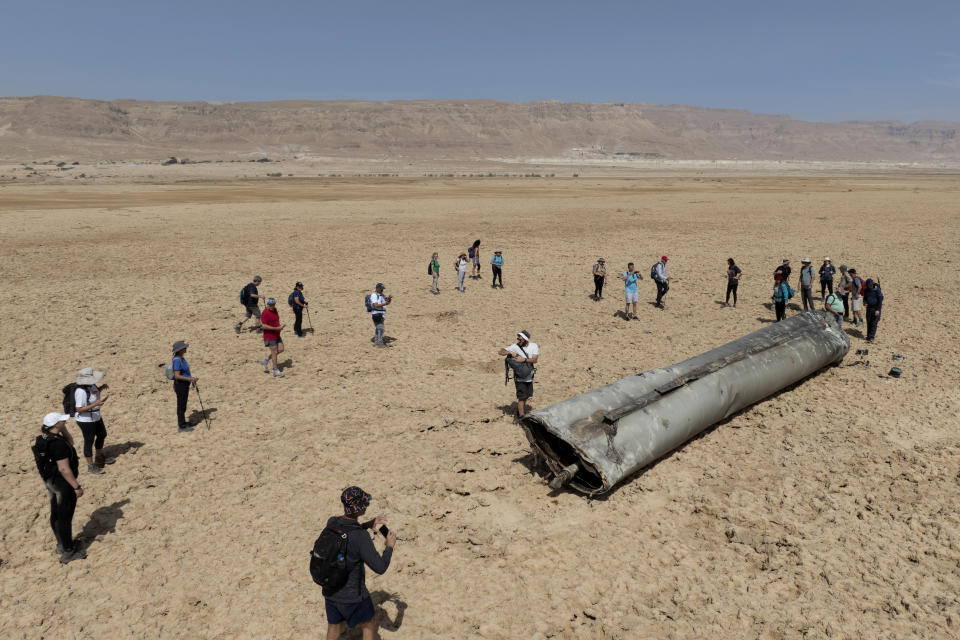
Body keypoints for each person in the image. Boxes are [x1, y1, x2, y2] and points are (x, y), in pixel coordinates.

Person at [322, 487, 396, 640]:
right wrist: (389, 546)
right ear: (360, 508)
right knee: (368, 625)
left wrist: (368, 524)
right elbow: (380, 567)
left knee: (333, 627)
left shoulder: (332, 522)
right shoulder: (361, 537)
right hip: (354, 596)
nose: (367, 506)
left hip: (330, 591)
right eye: (365, 504)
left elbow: (346, 534)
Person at [35, 412, 87, 563]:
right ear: (55, 424)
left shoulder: (43, 438)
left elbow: (70, 441)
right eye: (62, 421)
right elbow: (64, 469)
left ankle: (61, 544)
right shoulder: (57, 445)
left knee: (56, 513)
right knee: (65, 517)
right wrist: (76, 487)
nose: (65, 422)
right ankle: (69, 551)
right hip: (63, 484)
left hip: (50, 482)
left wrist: (63, 429)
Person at [73, 367, 111, 475]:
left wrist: (101, 389)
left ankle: (99, 457)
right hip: (85, 420)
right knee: (89, 441)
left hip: (95, 416)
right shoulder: (80, 391)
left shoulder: (91, 386)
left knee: (102, 434)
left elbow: (92, 395)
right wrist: (95, 404)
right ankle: (91, 466)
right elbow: (79, 409)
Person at [498, 330, 539, 421]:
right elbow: (500, 352)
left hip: (529, 375)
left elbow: (534, 359)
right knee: (521, 397)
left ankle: (519, 412)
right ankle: (520, 417)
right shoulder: (515, 347)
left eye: (520, 338)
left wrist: (523, 360)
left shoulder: (534, 346)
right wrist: (508, 352)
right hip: (519, 377)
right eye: (518, 338)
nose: (518, 339)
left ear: (525, 338)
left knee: (527, 395)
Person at [171, 341, 197, 432]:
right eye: (184, 347)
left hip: (183, 385)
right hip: (181, 385)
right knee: (181, 406)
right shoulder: (177, 360)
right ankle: (181, 426)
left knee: (183, 405)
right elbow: (177, 375)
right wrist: (190, 379)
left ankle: (183, 423)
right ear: (180, 350)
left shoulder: (181, 358)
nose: (186, 348)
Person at [259, 298, 286, 377]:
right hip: (270, 336)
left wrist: (280, 327)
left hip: (277, 334)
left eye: (273, 304)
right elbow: (263, 326)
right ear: (267, 304)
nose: (271, 306)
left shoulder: (275, 310)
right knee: (274, 352)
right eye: (270, 305)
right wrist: (276, 328)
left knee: (281, 349)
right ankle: (275, 370)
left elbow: (276, 320)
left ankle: (266, 360)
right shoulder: (265, 313)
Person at [370, 283, 391, 347]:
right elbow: (375, 305)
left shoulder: (381, 295)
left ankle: (377, 341)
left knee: (378, 328)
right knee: (380, 328)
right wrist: (385, 304)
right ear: (377, 289)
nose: (382, 290)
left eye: (382, 289)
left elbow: (387, 301)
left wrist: (389, 298)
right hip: (376, 313)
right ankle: (379, 343)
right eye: (381, 289)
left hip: (381, 314)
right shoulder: (374, 295)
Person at [863, 278, 884, 343]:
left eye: (870, 285)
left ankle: (872, 337)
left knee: (874, 323)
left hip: (875, 308)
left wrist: (878, 310)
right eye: (868, 285)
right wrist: (864, 302)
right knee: (868, 322)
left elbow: (880, 301)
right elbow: (865, 297)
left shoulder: (877, 290)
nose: (869, 286)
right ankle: (868, 336)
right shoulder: (866, 290)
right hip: (869, 308)